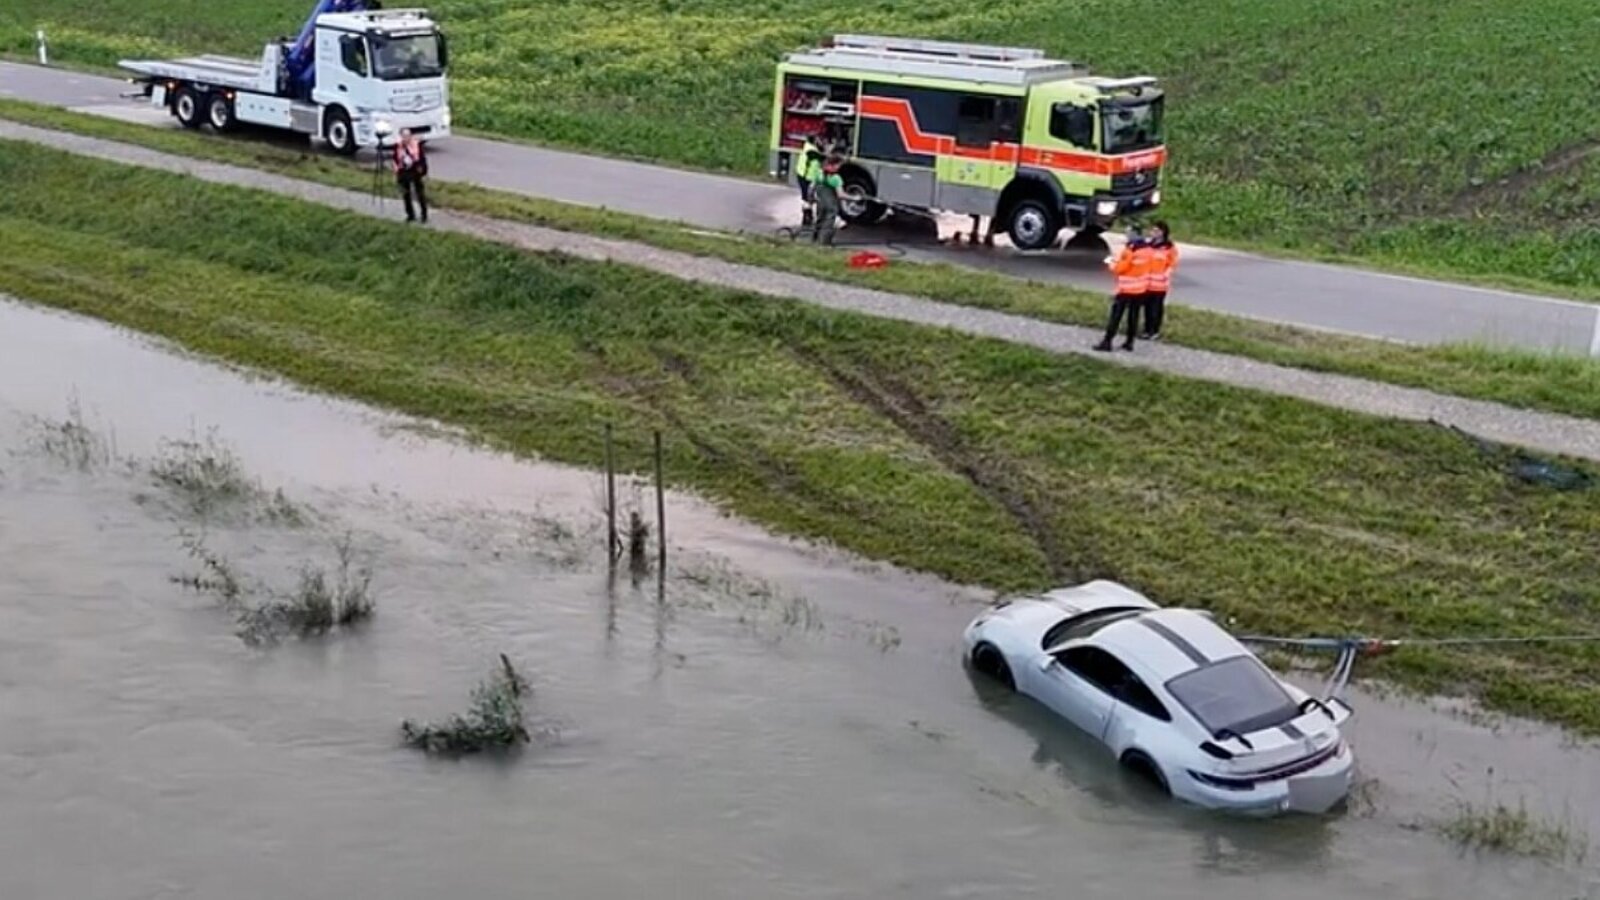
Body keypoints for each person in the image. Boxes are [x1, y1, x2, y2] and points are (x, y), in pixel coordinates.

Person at [1094, 225, 1151, 352]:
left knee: (1116, 316)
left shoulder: (1130, 251)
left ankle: (1107, 342)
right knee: (1133, 316)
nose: (1126, 236)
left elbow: (1120, 269)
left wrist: (1111, 263)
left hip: (1126, 289)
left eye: (1128, 233)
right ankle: (1129, 342)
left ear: (1135, 234)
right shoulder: (1147, 250)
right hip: (1140, 289)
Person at [1141, 220, 1177, 340]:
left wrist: (1166, 274)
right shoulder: (1149, 245)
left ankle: (1154, 330)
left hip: (1160, 285)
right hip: (1147, 283)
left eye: (1156, 230)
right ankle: (1146, 329)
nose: (1153, 232)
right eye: (1152, 230)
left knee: (1156, 309)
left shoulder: (1168, 247)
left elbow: (1172, 263)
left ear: (1163, 232)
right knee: (1147, 308)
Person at [392, 127, 428, 224]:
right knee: (406, 194)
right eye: (404, 136)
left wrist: (423, 172)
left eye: (408, 136)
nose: (406, 138)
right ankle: (410, 215)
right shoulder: (398, 146)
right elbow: (395, 159)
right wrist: (396, 172)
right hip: (403, 171)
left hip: (415, 170)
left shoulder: (416, 145)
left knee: (420, 193)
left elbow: (422, 159)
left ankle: (424, 215)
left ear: (411, 136)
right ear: (401, 136)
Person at [811, 155, 845, 246]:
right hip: (831, 206)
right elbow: (841, 195)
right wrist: (854, 197)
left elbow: (812, 187)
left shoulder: (819, 173)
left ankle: (814, 240)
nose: (839, 167)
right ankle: (824, 243)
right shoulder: (836, 178)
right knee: (828, 224)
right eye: (839, 165)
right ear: (834, 164)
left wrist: (811, 199)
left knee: (819, 220)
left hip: (820, 203)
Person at [796, 136, 822, 228]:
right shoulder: (812, 151)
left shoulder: (807, 147)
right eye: (818, 139)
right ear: (814, 141)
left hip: (802, 175)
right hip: (807, 178)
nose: (820, 141)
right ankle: (807, 219)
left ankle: (807, 218)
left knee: (807, 198)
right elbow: (816, 166)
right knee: (808, 198)